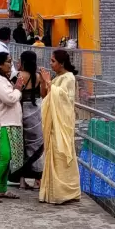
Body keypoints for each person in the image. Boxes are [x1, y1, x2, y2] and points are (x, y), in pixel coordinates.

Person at [38, 49, 81, 205]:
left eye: (53, 61)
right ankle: (54, 190)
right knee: (53, 154)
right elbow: (45, 96)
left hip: (62, 122)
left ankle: (67, 191)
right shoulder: (57, 78)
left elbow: (63, 98)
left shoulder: (69, 78)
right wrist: (44, 81)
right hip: (53, 123)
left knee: (62, 153)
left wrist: (49, 82)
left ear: (61, 63)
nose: (51, 64)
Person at [0, 52, 24, 203]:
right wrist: (18, 88)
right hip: (1, 123)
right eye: (8, 62)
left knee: (8, 158)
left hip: (10, 122)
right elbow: (9, 98)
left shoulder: (2, 79)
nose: (10, 65)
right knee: (3, 156)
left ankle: (1, 189)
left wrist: (15, 89)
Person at [10, 51, 44, 190]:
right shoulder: (39, 76)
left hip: (21, 112)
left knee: (20, 146)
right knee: (37, 147)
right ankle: (38, 180)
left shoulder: (19, 76)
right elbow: (43, 94)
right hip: (36, 112)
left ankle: (22, 180)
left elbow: (13, 93)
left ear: (23, 62)